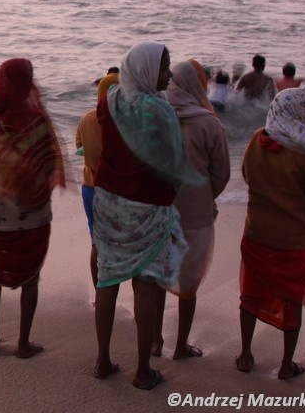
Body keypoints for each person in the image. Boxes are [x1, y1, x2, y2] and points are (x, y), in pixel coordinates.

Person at [91, 42, 203, 390]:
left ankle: (103, 361)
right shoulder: (160, 110)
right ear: (147, 70)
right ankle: (142, 371)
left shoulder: (108, 102)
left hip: (109, 205)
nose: (168, 75)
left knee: (107, 280)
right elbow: (174, 161)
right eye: (164, 68)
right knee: (145, 284)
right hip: (148, 207)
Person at [236, 87, 305, 380]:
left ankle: (244, 355)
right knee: (292, 301)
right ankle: (285, 365)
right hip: (294, 242)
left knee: (250, 295)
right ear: (297, 113)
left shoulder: (259, 138)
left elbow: (245, 172)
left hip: (257, 235)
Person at [0, 59, 64, 359]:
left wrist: (3, 182)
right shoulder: (39, 123)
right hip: (33, 216)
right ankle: (24, 344)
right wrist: (28, 186)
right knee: (31, 279)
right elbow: (50, 165)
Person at [153, 59, 230, 360]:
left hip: (158, 209)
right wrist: (206, 195)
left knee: (157, 277)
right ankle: (181, 345)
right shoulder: (210, 124)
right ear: (199, 86)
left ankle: (156, 340)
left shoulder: (157, 116)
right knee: (189, 282)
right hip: (196, 214)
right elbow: (221, 174)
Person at [75, 71, 119, 291]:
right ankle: (113, 290)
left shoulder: (86, 118)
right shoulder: (121, 120)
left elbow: (78, 146)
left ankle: (99, 292)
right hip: (113, 190)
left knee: (96, 242)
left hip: (88, 188)